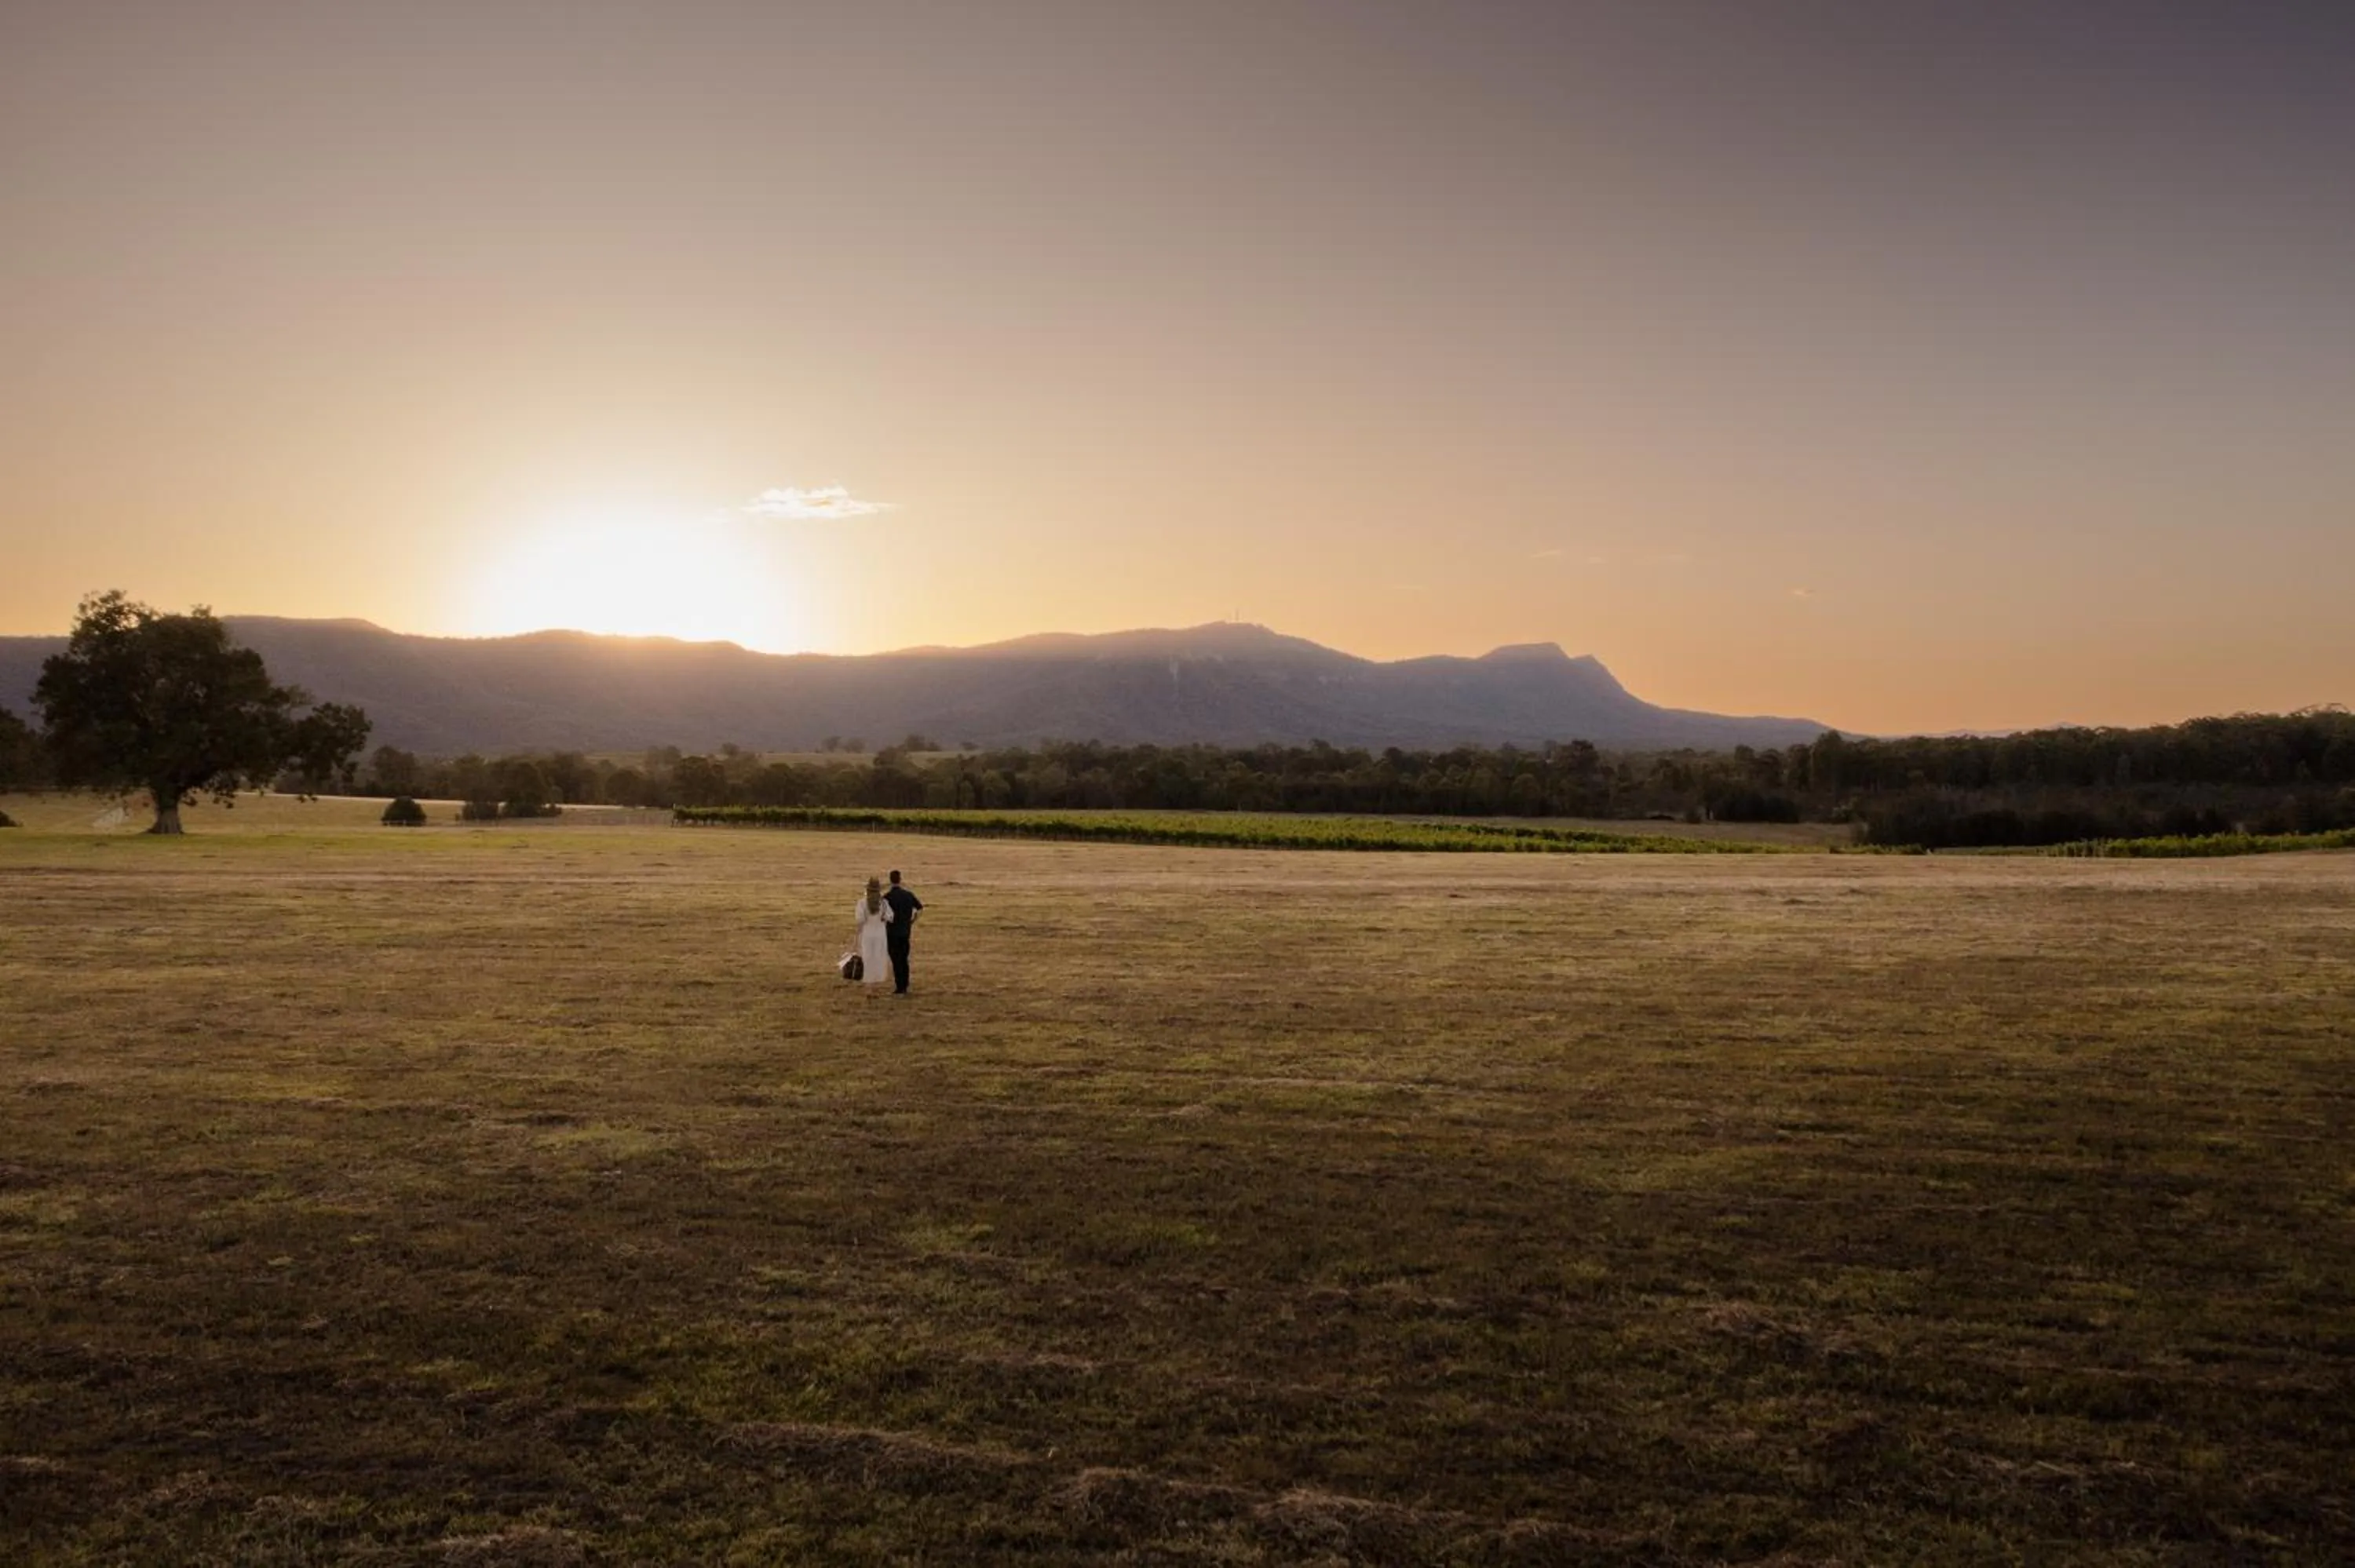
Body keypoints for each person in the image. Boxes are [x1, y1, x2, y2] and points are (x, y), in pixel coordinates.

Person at [882, 869, 923, 995]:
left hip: (892, 933)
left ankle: (899, 986)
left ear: (890, 880)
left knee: (896, 960)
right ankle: (905, 985)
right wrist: (912, 921)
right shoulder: (908, 895)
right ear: (900, 880)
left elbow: (883, 915)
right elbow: (920, 908)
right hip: (905, 932)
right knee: (904, 959)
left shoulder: (887, 897)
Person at [853, 876, 893, 993]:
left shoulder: (862, 903)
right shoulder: (884, 903)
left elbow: (860, 921)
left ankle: (868, 987)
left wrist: (856, 936)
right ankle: (875, 985)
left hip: (867, 934)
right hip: (880, 934)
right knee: (878, 958)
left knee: (867, 958)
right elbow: (890, 917)